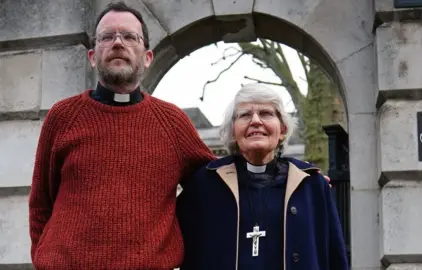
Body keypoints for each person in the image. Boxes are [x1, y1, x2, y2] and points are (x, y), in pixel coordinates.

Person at [28, 2, 216, 269]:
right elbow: (40, 203)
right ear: (93, 56)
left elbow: (214, 189)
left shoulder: (172, 122)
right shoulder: (63, 116)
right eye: (107, 36)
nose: (118, 43)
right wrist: (42, 256)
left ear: (147, 57)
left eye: (130, 37)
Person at [176, 84, 349, 270]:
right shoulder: (205, 184)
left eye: (266, 113)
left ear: (282, 129)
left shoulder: (311, 184)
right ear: (233, 131)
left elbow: (335, 257)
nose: (256, 121)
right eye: (245, 115)